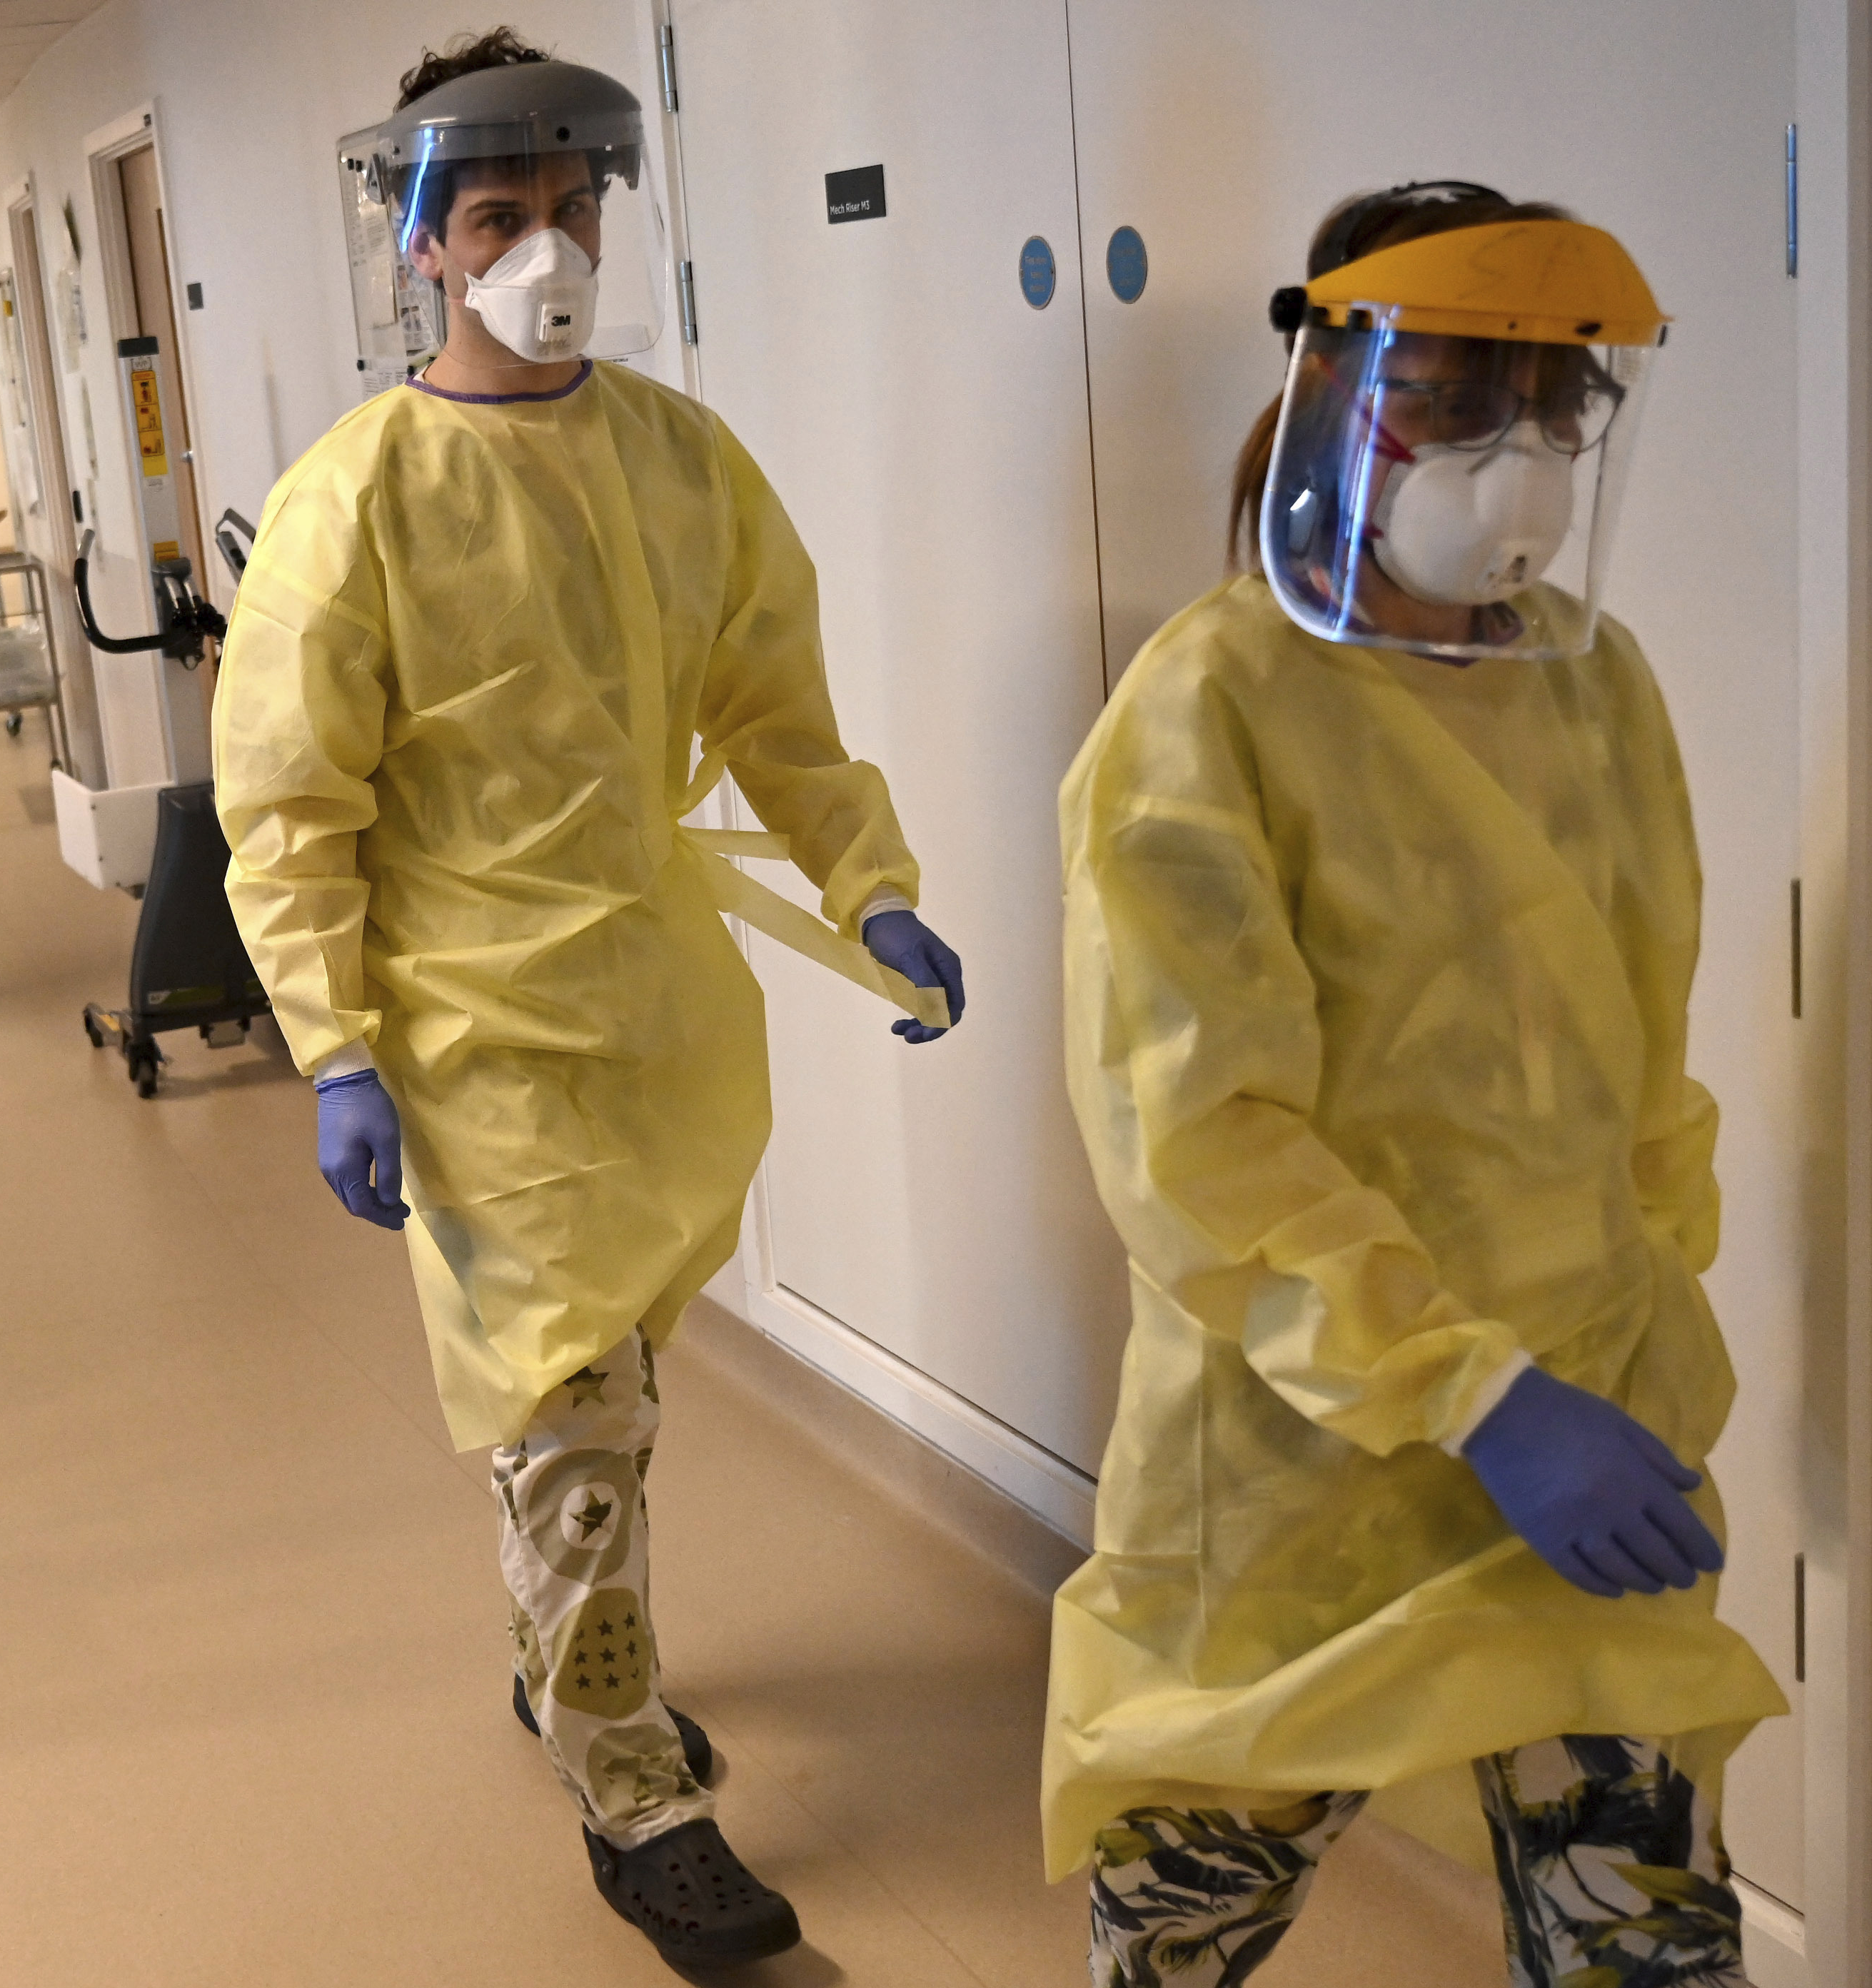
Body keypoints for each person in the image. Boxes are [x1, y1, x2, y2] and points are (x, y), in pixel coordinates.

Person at [214, 29, 963, 1970]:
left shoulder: (677, 459)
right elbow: (290, 807)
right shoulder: (355, 499)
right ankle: (635, 1790)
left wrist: (869, 892)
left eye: (574, 210)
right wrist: (336, 1052)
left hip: (650, 1017)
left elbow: (776, 714)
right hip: (474, 1041)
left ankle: (559, 1663)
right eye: (496, 215)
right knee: (573, 1418)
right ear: (420, 242)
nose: (545, 249)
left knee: (605, 1401)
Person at [1047, 183, 1788, 1987]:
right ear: (1339, 397)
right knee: (1180, 1936)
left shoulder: (1597, 690)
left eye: (1557, 405)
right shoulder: (1207, 706)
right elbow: (1197, 1131)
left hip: (1583, 1435)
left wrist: (1629, 1338)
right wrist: (1475, 1389)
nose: (1517, 458)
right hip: (1302, 1467)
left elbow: (1636, 1062)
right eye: (1462, 399)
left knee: (1648, 1942)